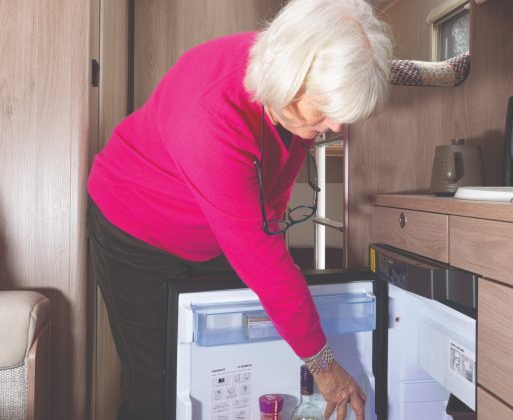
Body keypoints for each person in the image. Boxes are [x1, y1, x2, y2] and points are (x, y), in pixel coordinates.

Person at [86, 0, 392, 419]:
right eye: (325, 110)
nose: (337, 127)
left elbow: (264, 216)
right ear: (289, 80)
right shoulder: (209, 117)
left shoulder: (293, 87)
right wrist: (325, 367)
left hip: (213, 232)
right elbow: (264, 263)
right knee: (156, 383)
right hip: (137, 227)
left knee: (229, 367)